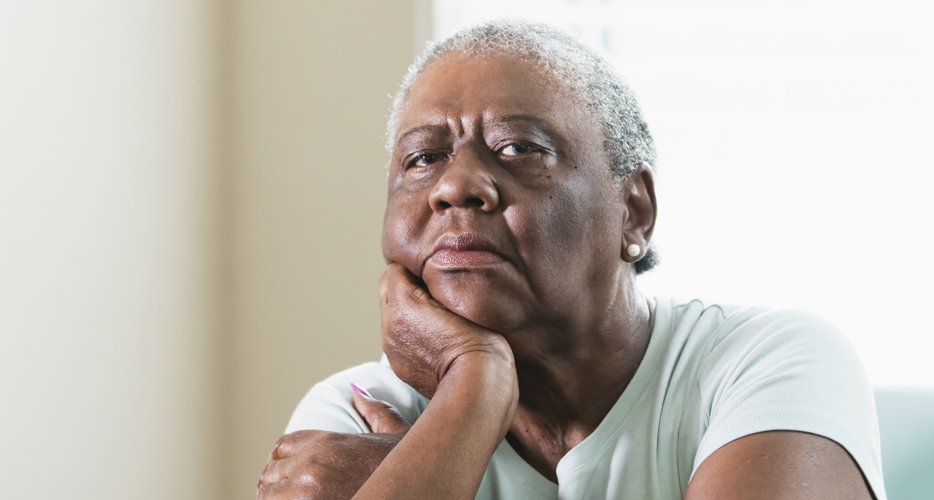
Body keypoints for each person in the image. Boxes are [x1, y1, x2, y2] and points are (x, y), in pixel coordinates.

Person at [256, 20, 885, 500]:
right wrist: (476, 391)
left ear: (633, 210)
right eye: (423, 158)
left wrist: (437, 453)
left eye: (518, 147)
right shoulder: (355, 408)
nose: (456, 186)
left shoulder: (769, 363)